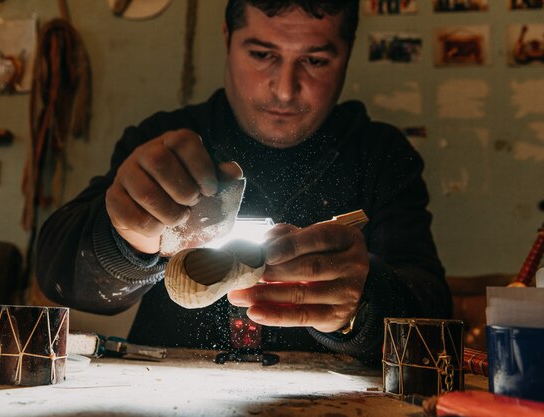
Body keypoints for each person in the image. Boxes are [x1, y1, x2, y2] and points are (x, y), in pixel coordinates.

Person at [36, 0, 451, 365]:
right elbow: (59, 277)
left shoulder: (380, 156)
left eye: (316, 61)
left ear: (348, 52)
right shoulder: (163, 142)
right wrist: (124, 241)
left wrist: (365, 300)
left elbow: (433, 316)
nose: (285, 90)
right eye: (262, 54)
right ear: (227, 37)